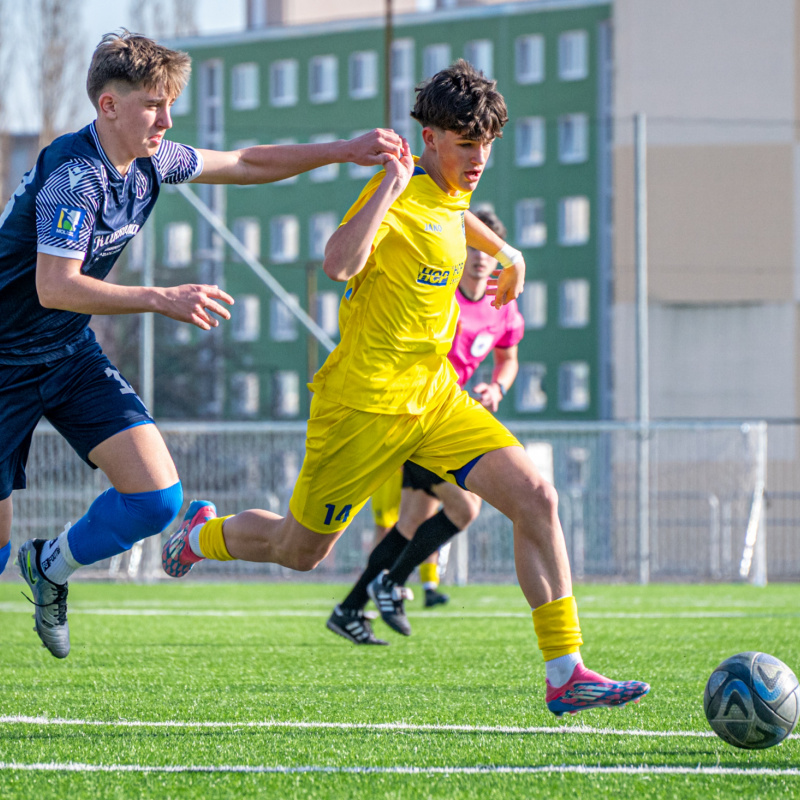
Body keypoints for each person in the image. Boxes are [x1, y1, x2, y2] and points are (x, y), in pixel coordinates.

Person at [163, 60, 649, 717]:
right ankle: (200, 535)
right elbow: (339, 262)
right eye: (466, 144)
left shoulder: (451, 193)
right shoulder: (396, 193)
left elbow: (455, 215)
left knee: (536, 496)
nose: (479, 158)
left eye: (487, 145)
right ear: (430, 141)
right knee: (299, 551)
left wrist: (509, 254)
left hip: (436, 398)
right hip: (362, 406)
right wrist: (388, 187)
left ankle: (565, 672)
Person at [4, 31, 403, 659]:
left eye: (169, 105)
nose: (166, 120)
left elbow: (244, 164)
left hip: (67, 352)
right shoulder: (75, 177)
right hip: (5, 360)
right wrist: (160, 298)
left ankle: (50, 567)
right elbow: (55, 286)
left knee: (157, 502)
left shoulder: (148, 161)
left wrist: (345, 150)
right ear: (109, 106)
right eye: (152, 105)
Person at [327, 207, 524, 644]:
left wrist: (497, 388)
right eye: (471, 247)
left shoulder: (501, 306)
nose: (478, 258)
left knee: (413, 522)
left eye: (487, 251)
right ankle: (391, 584)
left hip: (444, 422)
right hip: (416, 413)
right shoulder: (442, 296)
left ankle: (351, 607)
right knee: (463, 508)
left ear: (497, 257)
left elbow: (507, 358)